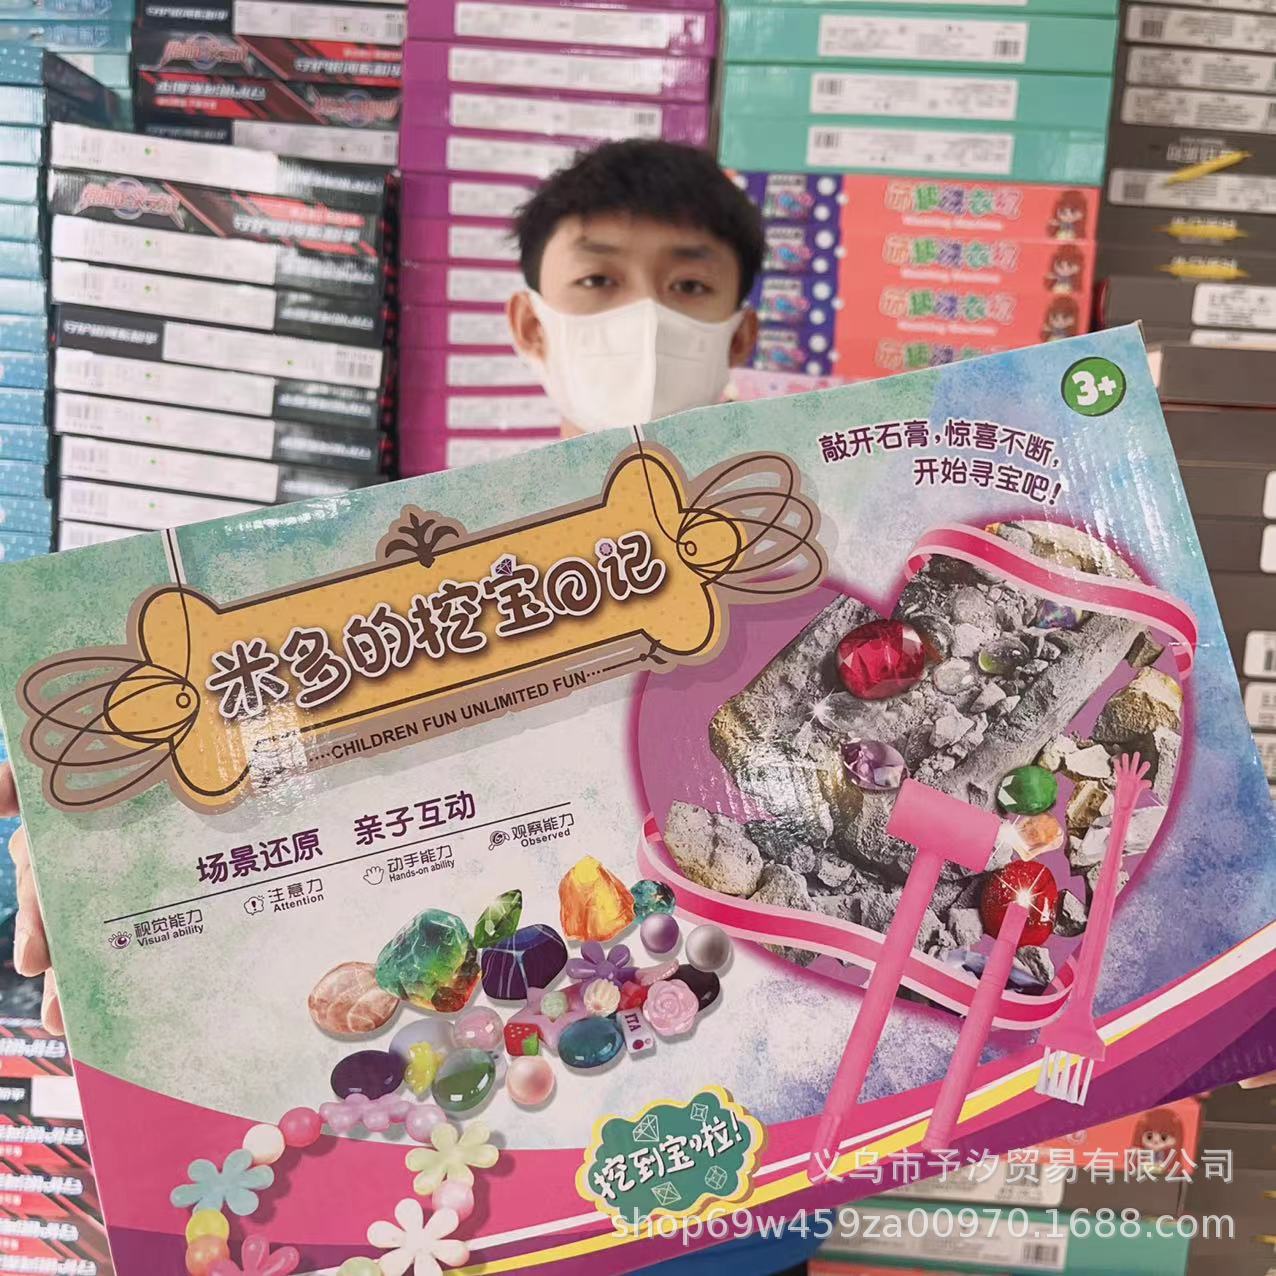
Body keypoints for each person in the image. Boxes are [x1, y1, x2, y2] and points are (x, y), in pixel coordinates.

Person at [506, 138, 762, 437]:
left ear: (739, 339)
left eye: (690, 286)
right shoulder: (477, 472)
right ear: (531, 326)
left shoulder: (792, 467)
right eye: (596, 280)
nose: (648, 316)